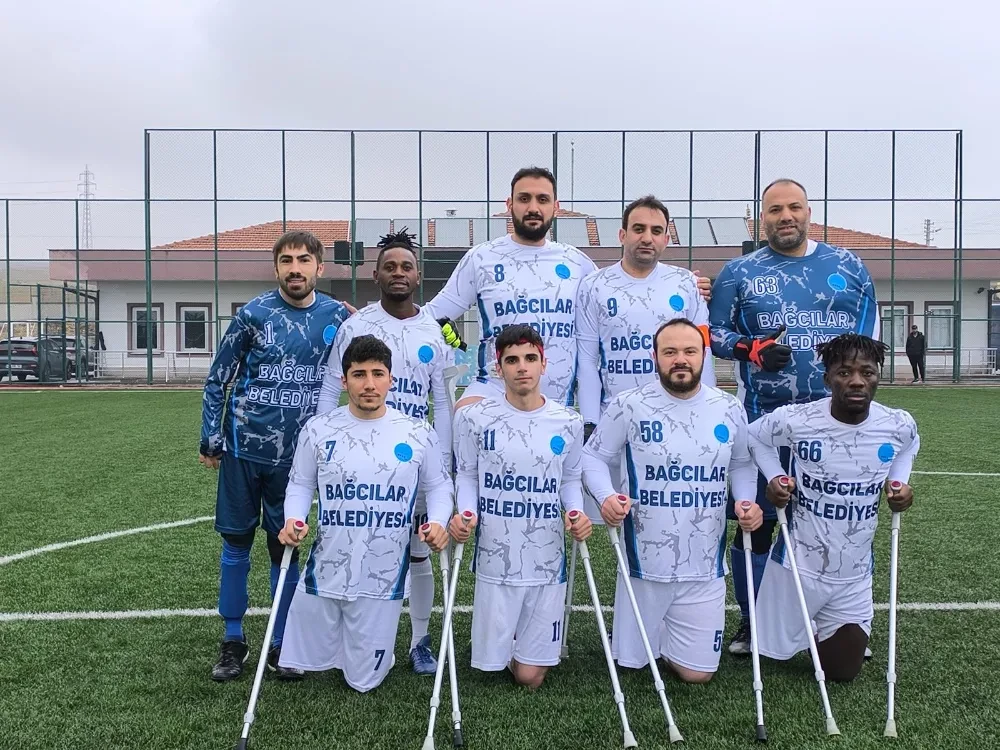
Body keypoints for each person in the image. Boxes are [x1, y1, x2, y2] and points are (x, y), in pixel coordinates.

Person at [708, 178, 880, 656]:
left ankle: (841, 624)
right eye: (775, 209)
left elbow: (868, 339)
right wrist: (751, 348)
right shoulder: (739, 272)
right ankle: (754, 622)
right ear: (761, 218)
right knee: (758, 521)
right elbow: (713, 333)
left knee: (840, 520)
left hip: (838, 423)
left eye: (794, 207)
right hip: (763, 419)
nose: (786, 216)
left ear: (809, 212)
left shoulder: (849, 266)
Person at [200, 230, 352, 681]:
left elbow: (369, 358)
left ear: (320, 268)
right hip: (243, 450)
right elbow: (218, 378)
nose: (295, 269)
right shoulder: (253, 314)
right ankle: (233, 639)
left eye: (304, 260)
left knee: (283, 547)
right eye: (287, 261)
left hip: (297, 460)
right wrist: (211, 436)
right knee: (236, 544)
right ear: (276, 268)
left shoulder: (337, 316)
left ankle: (282, 640)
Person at [581, 318, 762, 683]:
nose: (681, 359)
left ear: (703, 356)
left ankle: (669, 634)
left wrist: (745, 501)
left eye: (689, 351)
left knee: (698, 675)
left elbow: (742, 463)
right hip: (644, 565)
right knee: (633, 665)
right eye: (670, 352)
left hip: (705, 565)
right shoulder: (629, 405)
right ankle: (653, 630)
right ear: (655, 357)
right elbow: (592, 457)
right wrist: (606, 497)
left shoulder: (728, 407)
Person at [275, 335, 453, 692]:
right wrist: (293, 519)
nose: (369, 384)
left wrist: (436, 522)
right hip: (326, 567)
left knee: (362, 682)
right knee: (301, 660)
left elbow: (439, 487)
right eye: (359, 375)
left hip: (383, 574)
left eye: (377, 374)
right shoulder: (319, 429)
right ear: (344, 381)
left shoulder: (417, 432)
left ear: (391, 379)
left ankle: (375, 654)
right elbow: (300, 484)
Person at [315, 228, 455, 675]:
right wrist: (321, 446)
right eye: (389, 267)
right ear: (375, 275)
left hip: (412, 460)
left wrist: (443, 460)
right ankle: (360, 636)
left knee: (418, 551)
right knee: (362, 546)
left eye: (406, 266)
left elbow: (442, 403)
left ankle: (419, 640)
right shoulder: (356, 327)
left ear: (418, 275)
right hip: (360, 460)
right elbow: (329, 388)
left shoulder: (435, 331)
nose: (398, 273)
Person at [747, 333, 919, 681]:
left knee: (842, 673)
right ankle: (804, 623)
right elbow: (753, 436)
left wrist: (900, 484)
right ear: (828, 378)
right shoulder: (798, 419)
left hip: (853, 573)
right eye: (844, 372)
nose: (856, 381)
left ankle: (819, 627)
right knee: (768, 654)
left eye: (867, 372)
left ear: (877, 376)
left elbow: (910, 443)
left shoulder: (897, 423)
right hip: (797, 567)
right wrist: (776, 477)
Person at [447, 324, 593, 689]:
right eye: (512, 360)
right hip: (496, 556)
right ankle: (507, 638)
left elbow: (570, 479)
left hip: (546, 558)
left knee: (530, 677)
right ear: (499, 368)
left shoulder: (568, 421)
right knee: (490, 665)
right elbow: (467, 475)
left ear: (544, 364)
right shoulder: (474, 417)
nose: (522, 367)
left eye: (530, 358)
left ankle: (525, 645)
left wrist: (575, 513)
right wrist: (467, 513)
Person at [576, 194, 715, 520]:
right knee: (617, 512)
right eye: (638, 229)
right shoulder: (594, 286)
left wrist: (707, 410)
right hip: (616, 418)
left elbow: (703, 351)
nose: (647, 237)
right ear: (622, 234)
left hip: (677, 416)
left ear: (667, 238)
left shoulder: (686, 284)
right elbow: (587, 359)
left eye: (656, 230)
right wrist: (590, 421)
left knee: (676, 511)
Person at [424, 166, 596, 410]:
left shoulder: (578, 263)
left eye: (543, 199)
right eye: (524, 199)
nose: (533, 208)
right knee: (463, 415)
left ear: (555, 207)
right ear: (509, 204)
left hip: (558, 411)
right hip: (494, 400)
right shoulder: (482, 258)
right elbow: (432, 316)